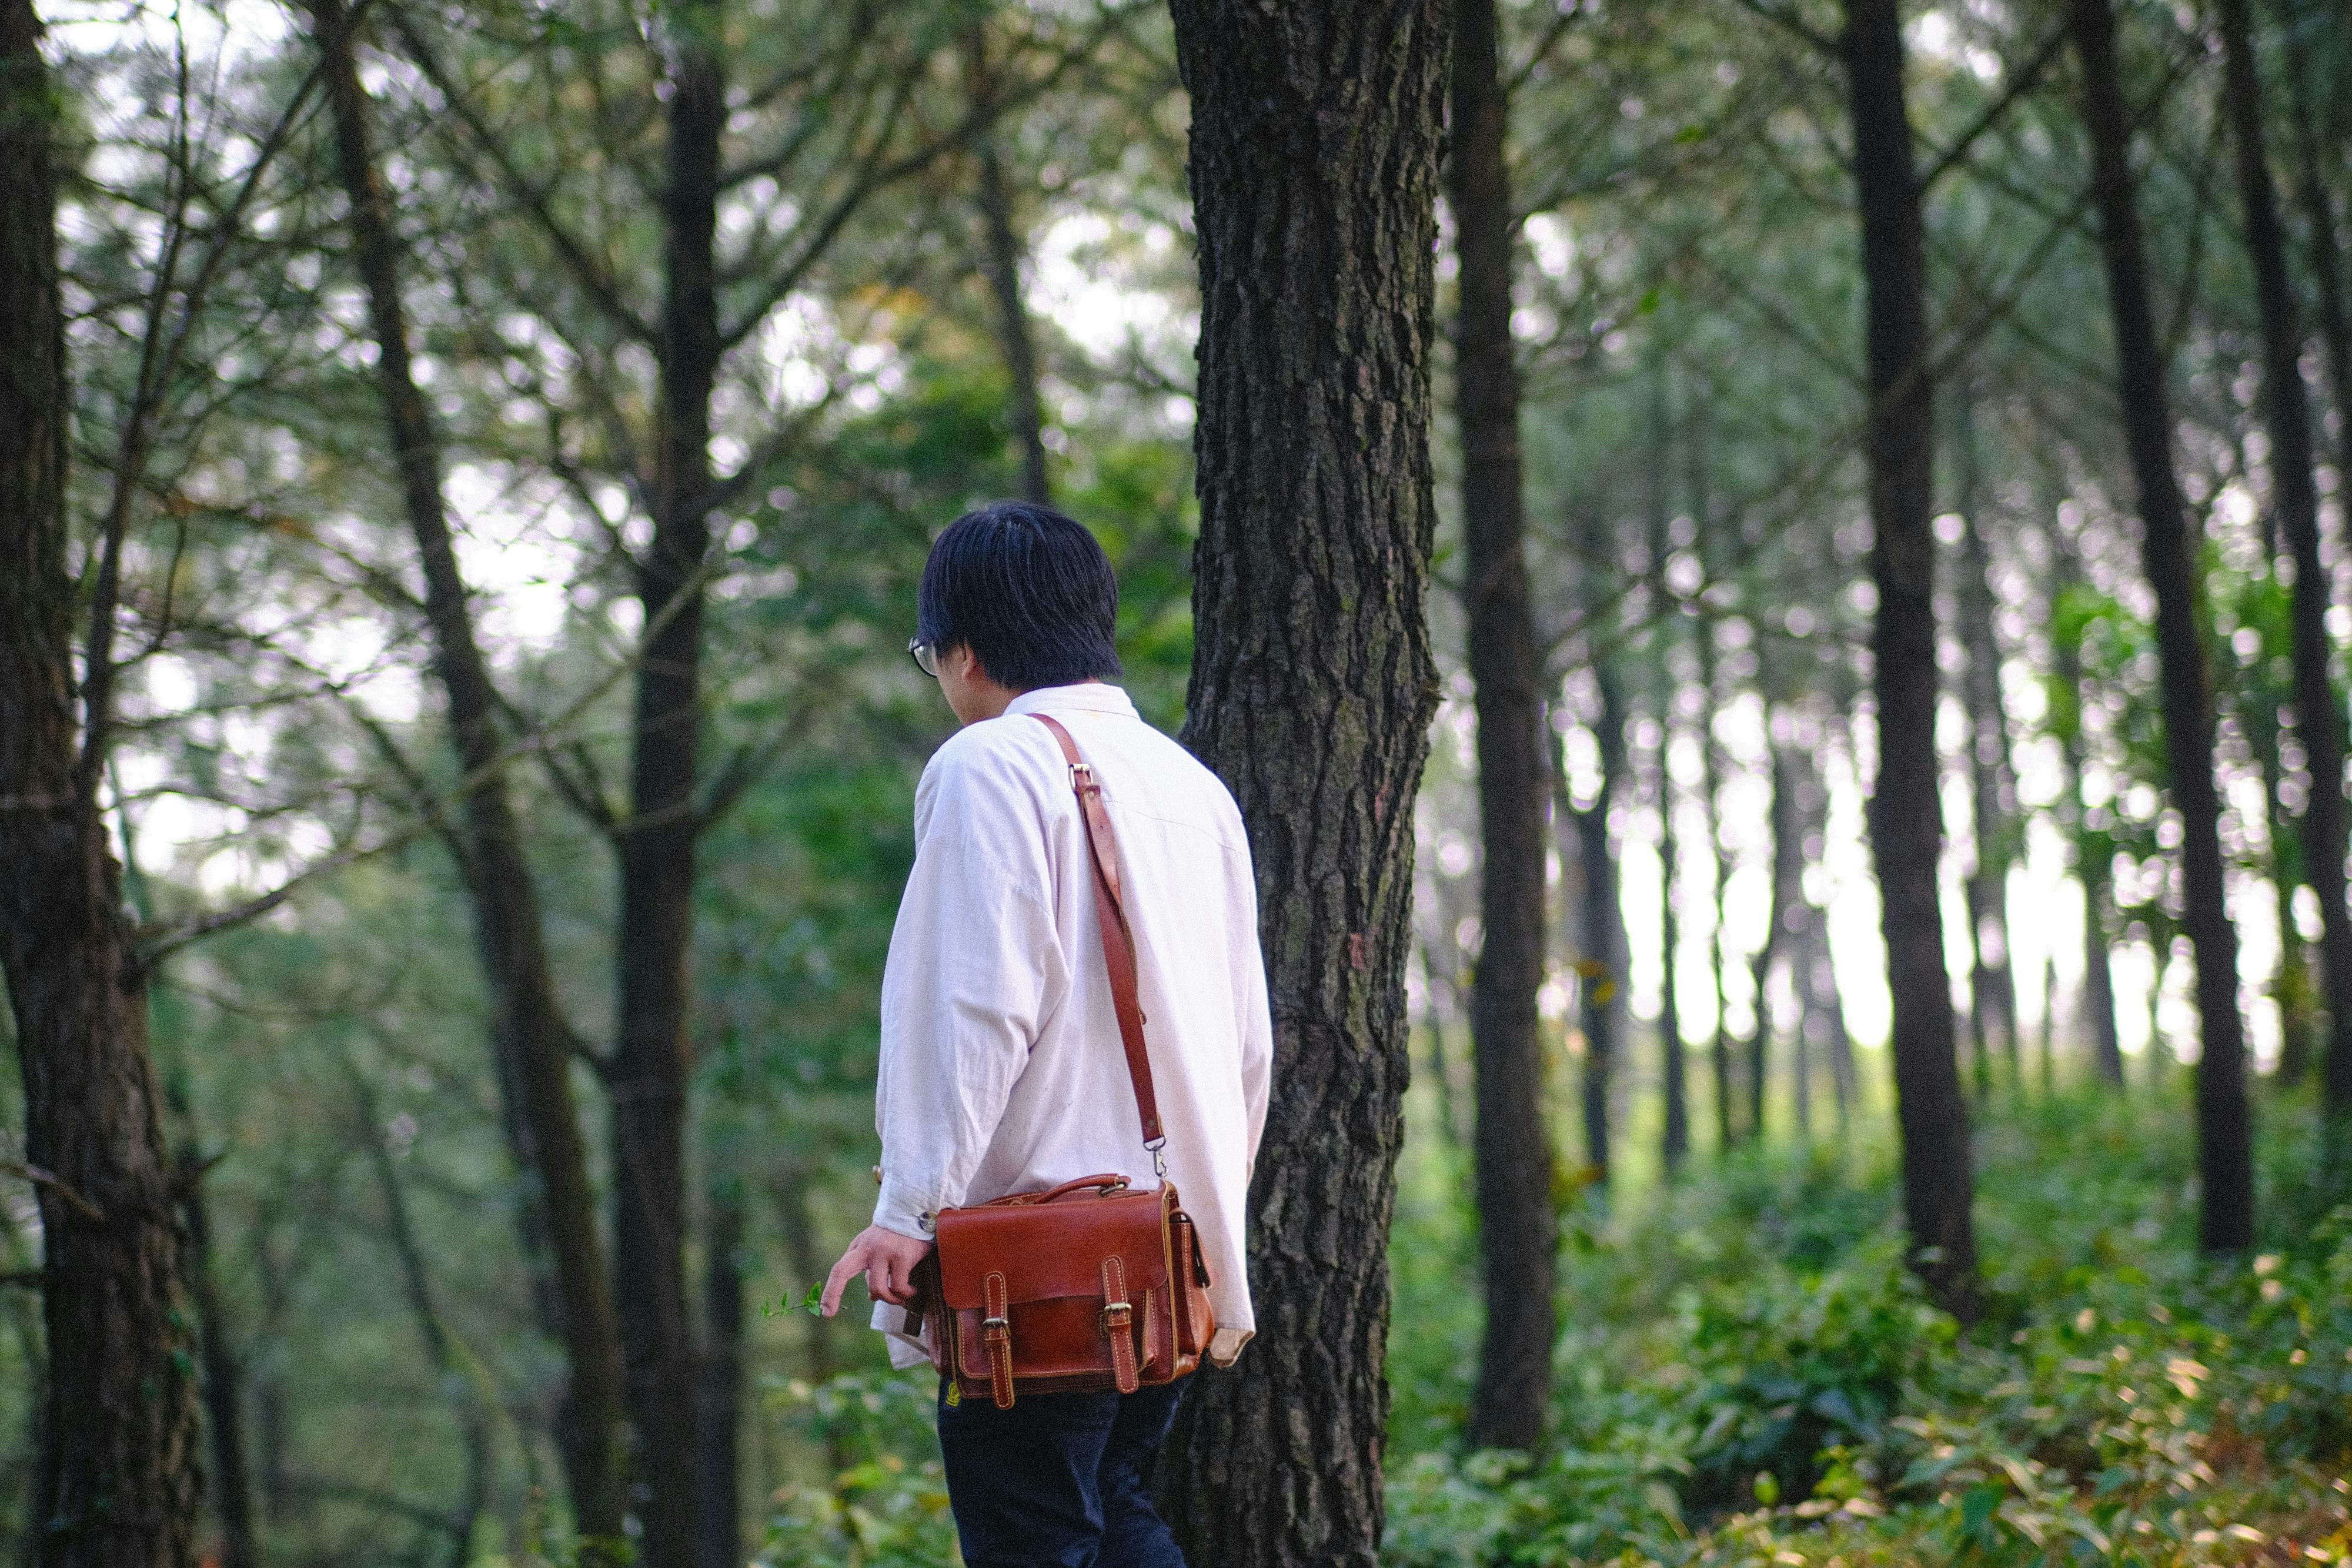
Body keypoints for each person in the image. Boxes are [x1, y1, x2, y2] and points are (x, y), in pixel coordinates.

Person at [820, 500, 1272, 1568]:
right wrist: (1205, 1216)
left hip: (1037, 1265)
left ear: (966, 647)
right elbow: (1248, 1045)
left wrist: (909, 1209)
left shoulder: (988, 767)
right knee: (1112, 1509)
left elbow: (975, 1009)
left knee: (1036, 1536)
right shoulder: (1193, 787)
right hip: (1171, 1253)